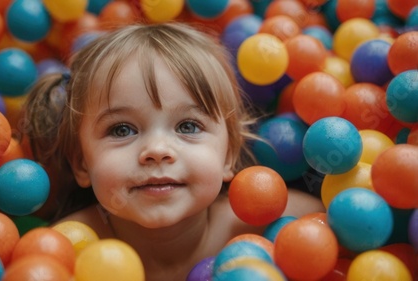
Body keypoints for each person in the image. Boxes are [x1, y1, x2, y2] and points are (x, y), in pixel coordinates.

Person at [23, 22, 324, 281]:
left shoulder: (266, 223)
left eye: (188, 126)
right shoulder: (67, 248)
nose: (157, 151)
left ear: (229, 155)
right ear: (82, 163)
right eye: (122, 130)